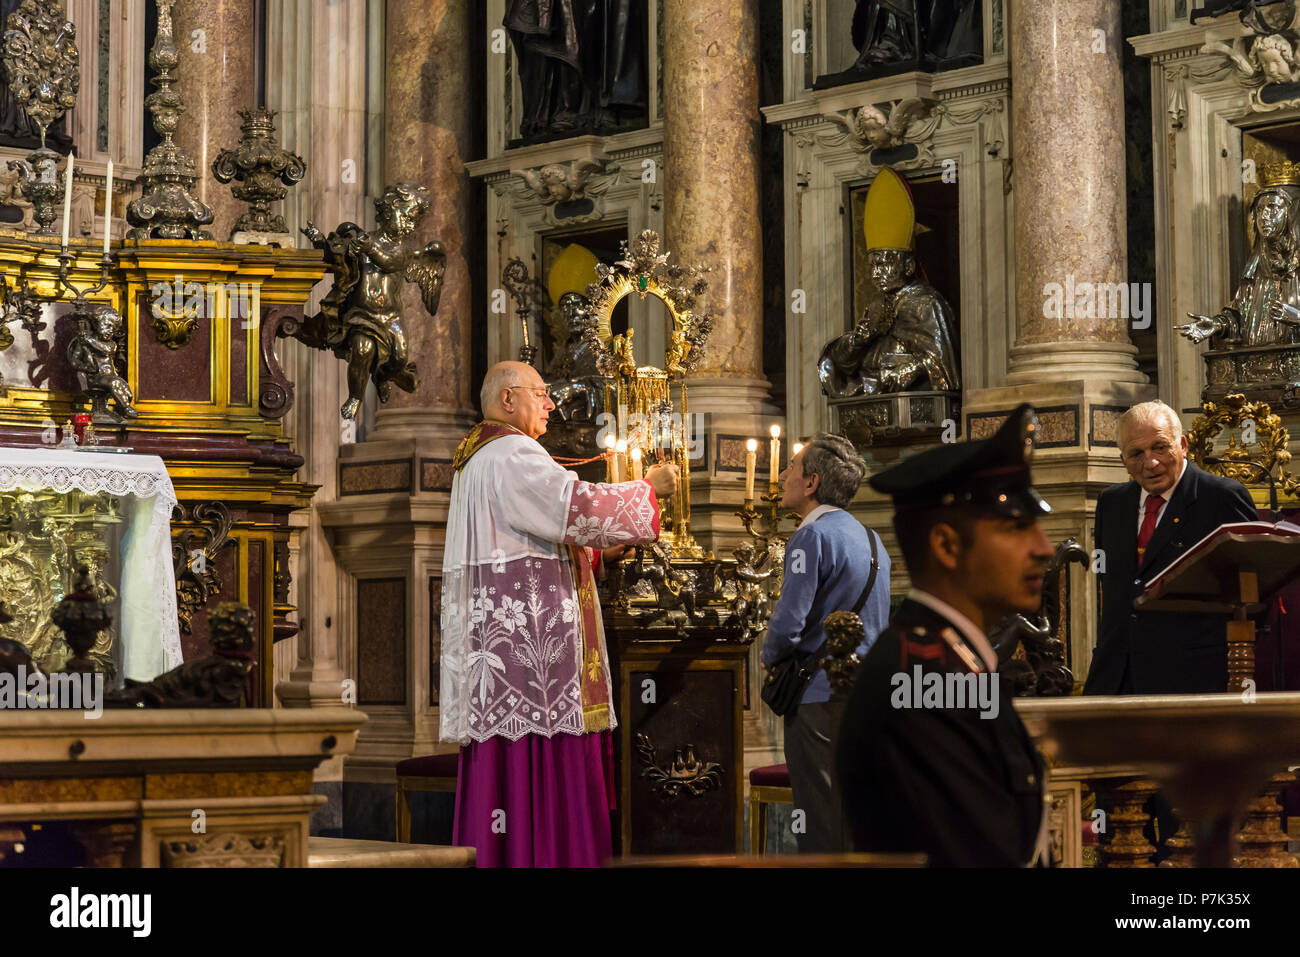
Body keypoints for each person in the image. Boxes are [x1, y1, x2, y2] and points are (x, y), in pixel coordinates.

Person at [439, 360, 679, 867]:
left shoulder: (476, 458)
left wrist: (595, 555)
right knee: (543, 769)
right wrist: (649, 490)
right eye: (541, 394)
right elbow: (574, 507)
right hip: (532, 662)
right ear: (508, 400)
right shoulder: (512, 452)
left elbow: (527, 543)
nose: (551, 404)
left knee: (507, 774)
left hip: (505, 651)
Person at [836, 404, 1054, 867]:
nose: (1044, 548)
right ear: (947, 546)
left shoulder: (951, 660)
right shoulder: (922, 678)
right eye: (1017, 528)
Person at [761, 433, 891, 853]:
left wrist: (770, 655)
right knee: (859, 813)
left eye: (791, 468)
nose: (782, 476)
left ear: (812, 482)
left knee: (819, 818)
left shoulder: (811, 537)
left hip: (820, 694)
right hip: (868, 692)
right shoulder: (873, 541)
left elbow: (789, 621)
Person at [1083, 400, 1257, 695]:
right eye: (1136, 453)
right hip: (1115, 677)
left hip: (1192, 678)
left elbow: (1253, 594)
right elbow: (1111, 590)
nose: (1150, 463)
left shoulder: (1221, 498)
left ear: (1183, 445)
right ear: (1123, 459)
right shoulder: (1111, 503)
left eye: (1160, 447)